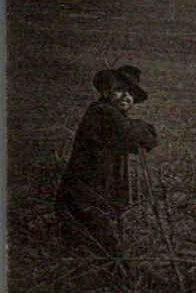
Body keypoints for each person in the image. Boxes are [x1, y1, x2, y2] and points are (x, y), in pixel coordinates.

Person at [56, 65, 158, 260]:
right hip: (85, 202)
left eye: (131, 93)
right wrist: (145, 129)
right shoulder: (102, 112)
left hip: (98, 201)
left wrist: (143, 132)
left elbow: (142, 138)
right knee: (106, 259)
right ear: (106, 92)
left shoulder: (114, 118)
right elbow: (136, 135)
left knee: (99, 259)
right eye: (119, 90)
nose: (125, 97)